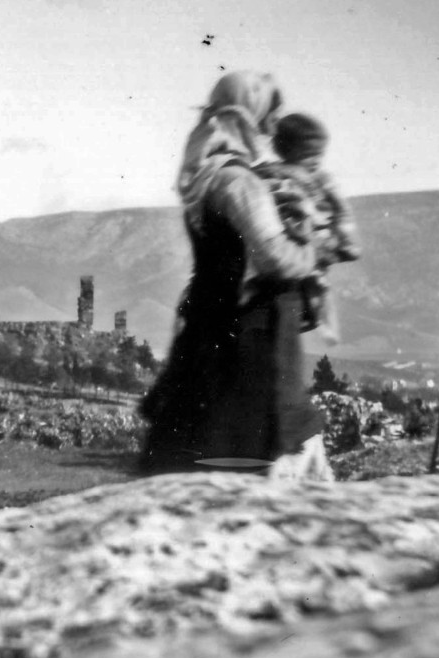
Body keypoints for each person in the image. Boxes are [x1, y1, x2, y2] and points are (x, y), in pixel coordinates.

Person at [139, 70, 333, 481]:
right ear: (249, 119)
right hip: (252, 336)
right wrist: (315, 247)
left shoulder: (207, 175)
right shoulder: (238, 181)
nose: (270, 130)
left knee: (199, 454)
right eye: (266, 118)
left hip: (212, 329)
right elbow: (276, 258)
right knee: (247, 455)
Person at [256, 112, 360, 343]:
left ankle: (320, 318)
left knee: (317, 279)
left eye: (319, 155)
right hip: (293, 231)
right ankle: (314, 314)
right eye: (308, 155)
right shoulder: (276, 173)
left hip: (317, 230)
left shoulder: (322, 178)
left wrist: (343, 236)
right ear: (287, 150)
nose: (315, 160)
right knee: (307, 276)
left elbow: (340, 207)